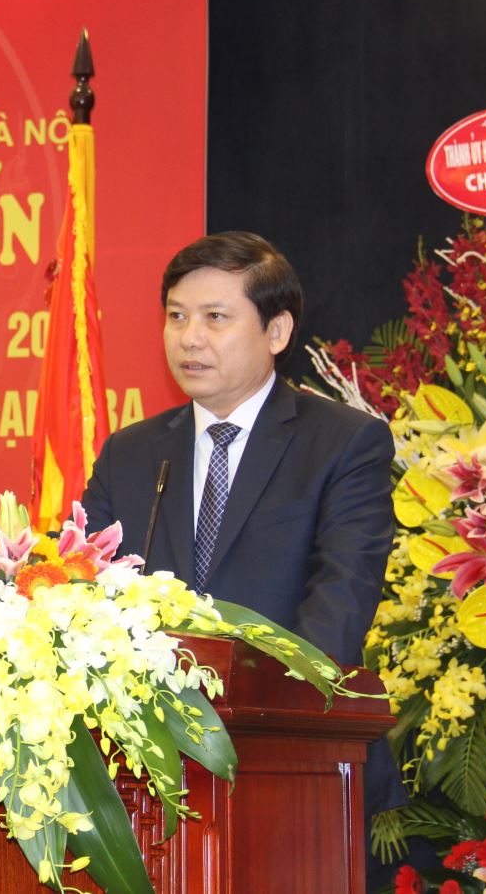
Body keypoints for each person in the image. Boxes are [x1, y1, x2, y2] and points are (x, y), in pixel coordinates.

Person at [79, 231, 394, 667]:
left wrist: (269, 697)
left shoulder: (343, 443)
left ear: (276, 331)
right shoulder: (128, 455)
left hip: (289, 705)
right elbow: (82, 587)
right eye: (177, 316)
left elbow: (341, 602)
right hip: (152, 706)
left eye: (215, 317)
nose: (190, 338)